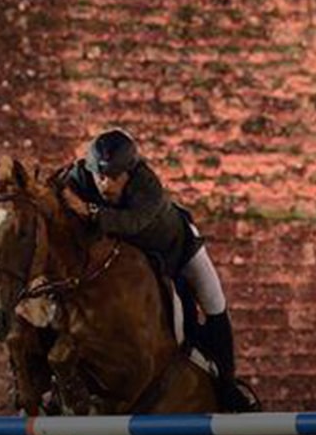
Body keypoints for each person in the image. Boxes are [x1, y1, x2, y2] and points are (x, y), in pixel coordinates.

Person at [58, 128, 257, 412]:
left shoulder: (147, 184)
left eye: (114, 177)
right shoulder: (80, 177)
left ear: (129, 173)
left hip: (178, 250)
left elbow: (132, 224)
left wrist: (88, 211)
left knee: (215, 305)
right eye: (99, 176)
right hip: (133, 263)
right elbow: (56, 194)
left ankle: (227, 386)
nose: (105, 184)